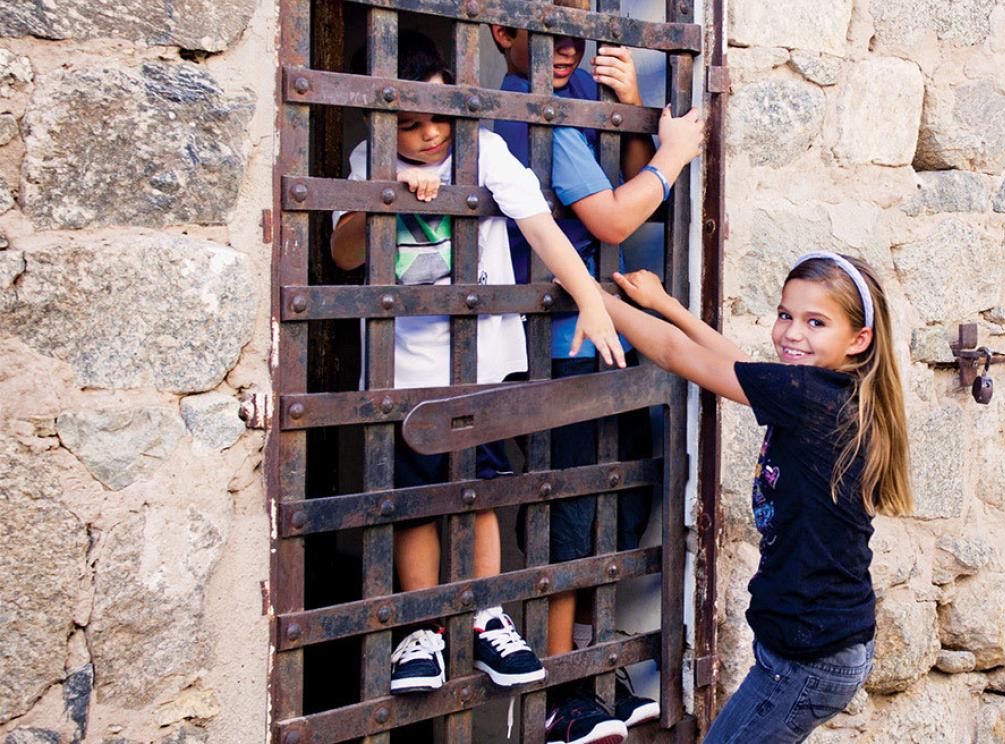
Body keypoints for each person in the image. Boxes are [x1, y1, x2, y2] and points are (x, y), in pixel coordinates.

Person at [328, 30, 625, 699]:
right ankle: (426, 627)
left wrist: (591, 299)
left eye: (439, 117)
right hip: (401, 370)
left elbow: (540, 227)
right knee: (415, 500)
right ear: (382, 121)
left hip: (482, 361)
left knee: (480, 489)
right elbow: (345, 252)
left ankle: (487, 615)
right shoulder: (365, 158)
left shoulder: (484, 150)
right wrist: (387, 193)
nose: (430, 135)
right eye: (409, 124)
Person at [588, 253, 913, 743]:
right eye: (785, 315)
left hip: (807, 659)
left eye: (815, 323)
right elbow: (739, 363)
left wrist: (590, 295)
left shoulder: (809, 396)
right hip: (819, 647)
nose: (792, 334)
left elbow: (677, 355)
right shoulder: (828, 389)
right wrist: (666, 305)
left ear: (858, 340)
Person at [488, 20, 704, 744]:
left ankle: (590, 672)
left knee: (617, 499)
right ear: (497, 29)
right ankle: (560, 692)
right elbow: (614, 219)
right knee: (569, 515)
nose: (569, 42)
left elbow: (633, 187)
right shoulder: (522, 108)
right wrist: (673, 156)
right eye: (544, 24)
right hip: (552, 341)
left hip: (599, 336)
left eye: (578, 20)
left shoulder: (573, 90)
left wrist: (635, 109)